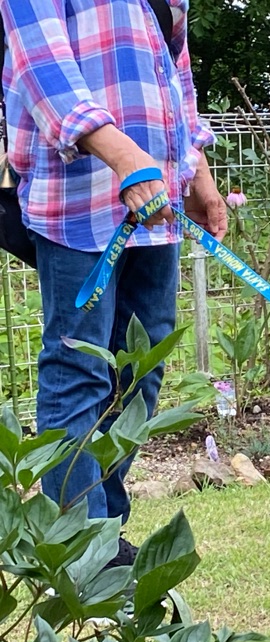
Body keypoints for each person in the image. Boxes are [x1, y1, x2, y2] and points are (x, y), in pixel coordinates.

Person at [0, 0, 227, 565]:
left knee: (140, 375)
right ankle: (85, 551)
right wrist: (127, 160)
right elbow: (41, 65)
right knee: (78, 371)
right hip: (76, 200)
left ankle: (104, 534)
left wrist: (196, 172)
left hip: (158, 203)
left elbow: (174, 67)